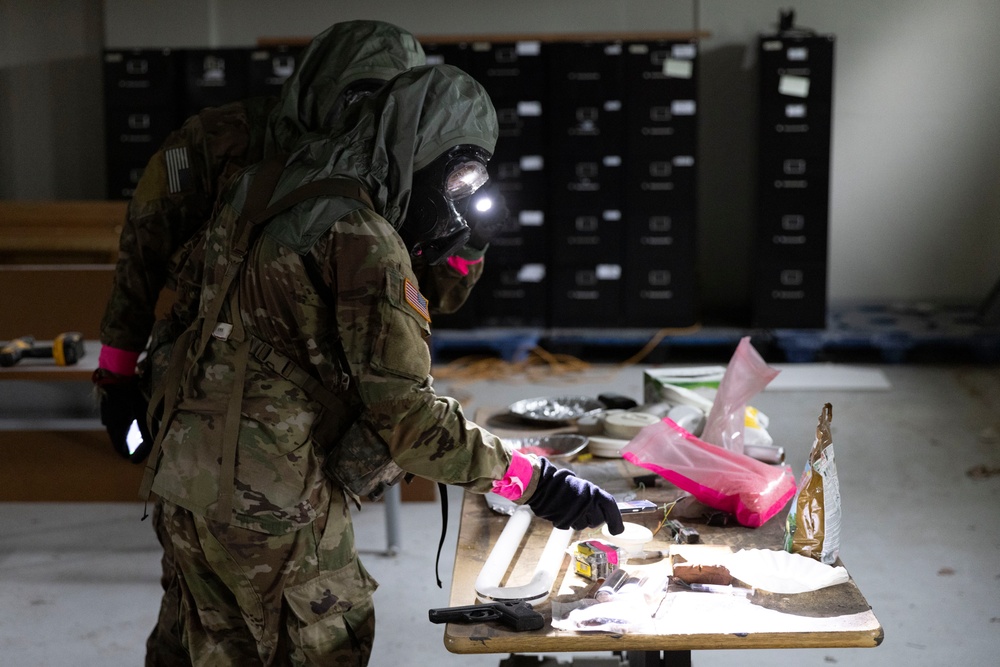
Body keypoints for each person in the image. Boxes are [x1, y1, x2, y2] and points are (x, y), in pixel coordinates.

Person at [140, 62, 623, 666]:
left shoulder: (268, 183)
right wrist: (535, 480)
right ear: (414, 152)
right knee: (324, 646)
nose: (456, 200)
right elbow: (413, 424)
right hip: (267, 504)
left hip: (183, 475)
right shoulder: (362, 236)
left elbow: (184, 306)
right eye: (455, 180)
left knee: (203, 649)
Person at [94, 19, 499, 462]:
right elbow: (142, 256)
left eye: (384, 102)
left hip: (325, 391)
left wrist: (469, 247)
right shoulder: (216, 143)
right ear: (317, 86)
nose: (365, 117)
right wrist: (116, 377)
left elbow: (425, 296)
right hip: (212, 371)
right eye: (359, 98)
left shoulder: (389, 169)